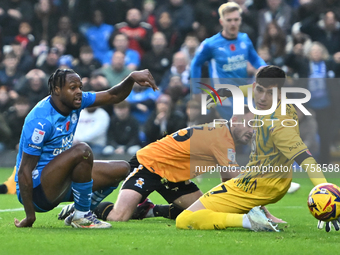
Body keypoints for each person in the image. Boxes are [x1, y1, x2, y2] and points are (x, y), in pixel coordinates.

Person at [175, 65, 331, 232]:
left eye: (270, 93)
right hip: (262, 180)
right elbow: (248, 89)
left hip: (255, 185)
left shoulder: (278, 123)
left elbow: (304, 158)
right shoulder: (275, 102)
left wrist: (325, 191)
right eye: (260, 90)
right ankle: (257, 214)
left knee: (184, 220)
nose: (262, 98)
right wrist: (224, 93)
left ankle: (249, 220)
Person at [75, 107, 276, 223]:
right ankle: (79, 210)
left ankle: (149, 210)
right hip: (151, 165)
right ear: (236, 120)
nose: (253, 132)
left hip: (174, 177)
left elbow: (227, 183)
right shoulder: (222, 137)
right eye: (250, 125)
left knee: (204, 212)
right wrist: (262, 208)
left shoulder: (224, 134)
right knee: (119, 217)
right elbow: (236, 180)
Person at [14, 68, 157, 228]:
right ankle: (82, 217)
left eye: (80, 87)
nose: (79, 92)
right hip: (38, 192)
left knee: (122, 169)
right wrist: (29, 216)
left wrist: (130, 78)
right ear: (57, 90)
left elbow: (113, 95)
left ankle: (80, 209)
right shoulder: (40, 121)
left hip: (63, 180)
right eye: (73, 87)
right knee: (81, 151)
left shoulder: (77, 102)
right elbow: (24, 171)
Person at [191, 2, 266, 120]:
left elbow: (255, 58)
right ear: (222, 22)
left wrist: (263, 68)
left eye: (236, 20)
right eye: (229, 20)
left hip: (243, 94)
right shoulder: (210, 44)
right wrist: (195, 91)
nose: (233, 23)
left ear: (240, 20)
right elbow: (196, 64)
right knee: (237, 127)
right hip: (223, 97)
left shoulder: (244, 39)